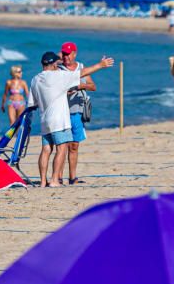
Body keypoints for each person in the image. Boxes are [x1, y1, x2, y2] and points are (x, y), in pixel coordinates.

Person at [28, 51, 114, 187]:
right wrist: (100, 65)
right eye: (56, 63)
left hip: (44, 121)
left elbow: (33, 104)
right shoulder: (58, 76)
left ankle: (43, 182)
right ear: (51, 64)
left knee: (45, 150)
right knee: (61, 149)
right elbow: (82, 72)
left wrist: (59, 93)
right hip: (59, 120)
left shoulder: (35, 79)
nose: (58, 65)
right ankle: (55, 180)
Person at [59, 41, 95, 185]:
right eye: (64, 54)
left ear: (74, 54)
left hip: (77, 112)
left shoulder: (81, 68)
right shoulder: (58, 69)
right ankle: (58, 177)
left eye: (68, 54)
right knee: (62, 146)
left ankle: (73, 177)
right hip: (62, 112)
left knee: (74, 145)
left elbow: (93, 86)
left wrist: (80, 86)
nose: (66, 57)